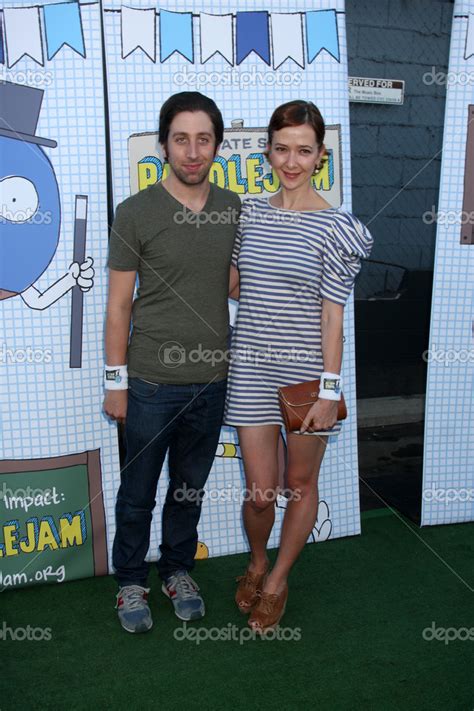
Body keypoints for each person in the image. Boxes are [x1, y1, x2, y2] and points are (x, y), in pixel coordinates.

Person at [225, 100, 373, 634]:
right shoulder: (248, 214)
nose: (292, 161)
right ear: (267, 150)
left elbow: (333, 317)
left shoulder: (338, 228)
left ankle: (277, 580)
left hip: (308, 376)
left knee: (298, 482)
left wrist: (331, 391)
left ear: (320, 157)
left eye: (304, 150)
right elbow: (235, 285)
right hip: (250, 371)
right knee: (260, 491)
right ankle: (258, 560)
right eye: (282, 148)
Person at [104, 92, 241, 633]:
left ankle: (178, 570)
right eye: (180, 139)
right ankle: (131, 580)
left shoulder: (233, 208)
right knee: (137, 492)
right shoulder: (134, 212)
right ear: (164, 143)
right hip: (149, 384)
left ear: (217, 147)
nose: (191, 150)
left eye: (203, 139)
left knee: (190, 488)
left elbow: (230, 281)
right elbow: (117, 305)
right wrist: (116, 383)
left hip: (212, 381)